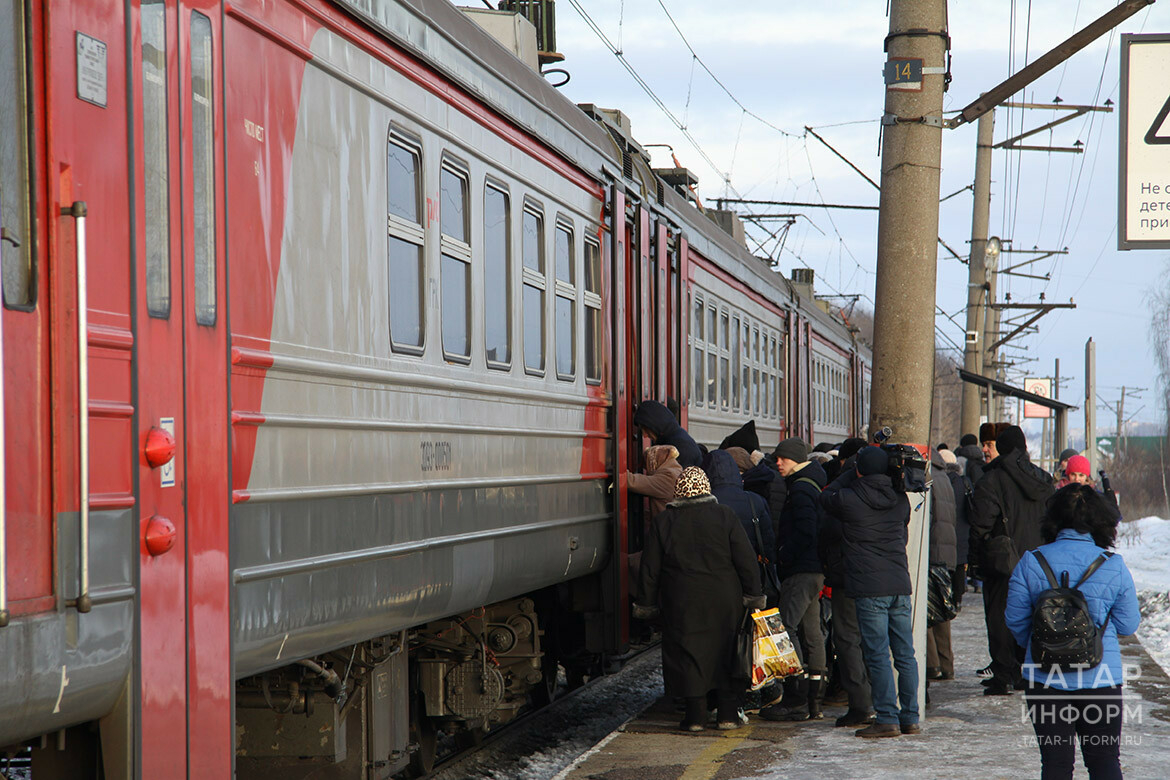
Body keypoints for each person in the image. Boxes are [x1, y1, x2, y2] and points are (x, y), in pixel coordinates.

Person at [1005, 484, 1141, 780]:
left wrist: (1040, 645)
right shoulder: (1113, 565)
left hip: (1044, 678)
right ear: (1101, 521)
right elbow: (1129, 624)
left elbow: (1015, 621)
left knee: (1055, 765)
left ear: (1053, 518)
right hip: (1100, 678)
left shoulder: (1031, 561)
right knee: (1104, 762)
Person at [635, 467, 764, 731]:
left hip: (681, 601)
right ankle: (727, 716)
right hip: (724, 599)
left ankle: (695, 717)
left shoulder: (664, 521)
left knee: (688, 654)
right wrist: (753, 594)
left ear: (679, 490)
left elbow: (650, 568)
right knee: (725, 651)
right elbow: (746, 559)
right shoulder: (724, 515)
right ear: (706, 488)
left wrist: (646, 604)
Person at [820, 446, 918, 737]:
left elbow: (825, 495)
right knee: (904, 654)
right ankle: (909, 717)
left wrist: (850, 472)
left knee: (876, 655)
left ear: (859, 469)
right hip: (899, 584)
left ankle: (887, 716)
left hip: (869, 588)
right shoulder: (900, 500)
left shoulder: (849, 499)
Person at [969, 425, 1055, 695]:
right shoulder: (1043, 479)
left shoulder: (992, 480)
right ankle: (1027, 669)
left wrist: (976, 556)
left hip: (1004, 562)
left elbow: (981, 524)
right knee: (1033, 616)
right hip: (1040, 561)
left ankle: (1004, 672)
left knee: (1000, 616)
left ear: (1001, 448)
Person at [760, 437, 829, 722]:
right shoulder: (810, 483)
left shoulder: (800, 489)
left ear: (797, 460)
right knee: (812, 632)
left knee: (784, 628)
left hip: (801, 570)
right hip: (814, 570)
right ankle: (815, 700)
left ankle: (796, 696)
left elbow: (806, 531)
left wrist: (783, 554)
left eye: (783, 459)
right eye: (776, 458)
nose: (778, 463)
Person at [818, 471, 876, 727]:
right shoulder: (892, 497)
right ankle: (881, 699)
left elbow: (826, 512)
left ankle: (861, 704)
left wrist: (844, 478)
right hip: (877, 579)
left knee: (848, 639)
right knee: (874, 639)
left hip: (847, 579)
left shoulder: (846, 500)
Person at [705, 449, 775, 572]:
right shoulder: (755, 500)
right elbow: (767, 543)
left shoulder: (704, 502)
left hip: (714, 573)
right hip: (750, 572)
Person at [926, 448, 958, 681]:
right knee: (942, 613)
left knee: (927, 612)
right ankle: (947, 664)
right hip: (946, 552)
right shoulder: (943, 475)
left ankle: (932, 665)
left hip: (931, 551)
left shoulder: (927, 477)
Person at [939, 448, 972, 608]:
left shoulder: (941, 482)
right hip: (963, 532)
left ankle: (948, 598)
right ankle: (958, 598)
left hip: (946, 532)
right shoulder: (964, 482)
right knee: (959, 566)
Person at [633, 400, 702, 468]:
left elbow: (669, 478)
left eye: (647, 430)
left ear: (656, 426)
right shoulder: (676, 438)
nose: (645, 436)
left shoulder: (680, 447)